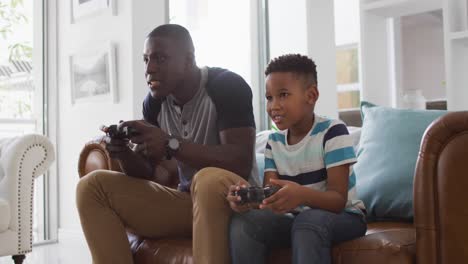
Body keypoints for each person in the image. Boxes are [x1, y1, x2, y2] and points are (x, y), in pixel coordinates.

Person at [76, 24, 260, 264]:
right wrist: (124, 153)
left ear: (189, 59)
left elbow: (240, 163)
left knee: (206, 179)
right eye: (146, 60)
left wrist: (171, 144)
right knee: (92, 187)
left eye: (160, 58)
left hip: (236, 203)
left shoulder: (227, 86)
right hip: (188, 204)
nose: (150, 68)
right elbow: (152, 174)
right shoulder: (154, 103)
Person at [227, 54, 367, 264]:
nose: (273, 105)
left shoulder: (333, 131)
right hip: (298, 218)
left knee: (308, 222)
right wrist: (248, 200)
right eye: (269, 97)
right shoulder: (274, 141)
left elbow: (338, 200)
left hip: (345, 217)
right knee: (244, 222)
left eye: (283, 95)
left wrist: (301, 195)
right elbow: (270, 196)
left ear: (311, 95)